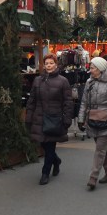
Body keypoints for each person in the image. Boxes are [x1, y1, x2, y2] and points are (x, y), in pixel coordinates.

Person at [77, 56, 107, 190]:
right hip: (92, 119)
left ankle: (93, 178)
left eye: (92, 68)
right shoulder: (89, 82)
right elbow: (84, 102)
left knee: (100, 149)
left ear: (100, 69)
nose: (90, 70)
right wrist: (81, 119)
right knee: (102, 149)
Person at [26, 53, 74, 186]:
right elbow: (32, 100)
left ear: (56, 65)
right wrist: (29, 117)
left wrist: (67, 119)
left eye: (51, 63)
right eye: (46, 63)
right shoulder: (37, 80)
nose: (49, 66)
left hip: (54, 119)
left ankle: (45, 173)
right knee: (43, 144)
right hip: (39, 118)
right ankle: (56, 161)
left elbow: (68, 102)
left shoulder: (63, 81)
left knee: (50, 146)